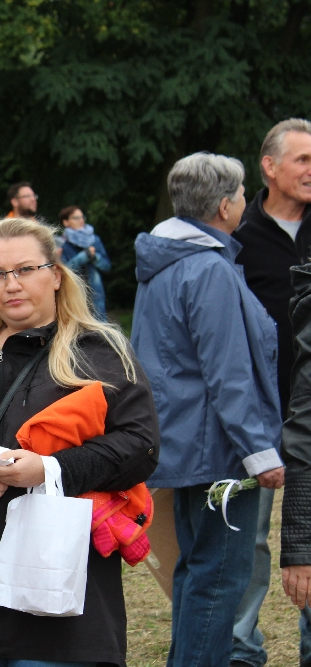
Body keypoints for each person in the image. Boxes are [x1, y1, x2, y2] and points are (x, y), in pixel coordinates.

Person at [0, 216, 158, 666]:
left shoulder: (99, 353)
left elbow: (140, 447)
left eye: (26, 269)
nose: (12, 284)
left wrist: (50, 469)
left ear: (56, 274)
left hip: (58, 598)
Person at [131, 152, 284, 667]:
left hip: (183, 443)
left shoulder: (164, 265)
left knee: (196, 571)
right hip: (219, 452)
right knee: (219, 578)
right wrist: (259, 451)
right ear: (223, 206)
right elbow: (229, 371)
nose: (244, 202)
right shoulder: (208, 269)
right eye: (241, 194)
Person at [232, 118, 311, 667]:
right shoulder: (238, 235)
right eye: (303, 159)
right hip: (256, 415)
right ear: (269, 167)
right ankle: (241, 648)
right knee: (248, 538)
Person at [57, 206, 110, 318]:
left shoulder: (94, 240)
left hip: (96, 297)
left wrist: (94, 257)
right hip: (74, 296)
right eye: (76, 218)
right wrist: (83, 256)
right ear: (66, 222)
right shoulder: (62, 243)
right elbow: (63, 271)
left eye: (82, 217)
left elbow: (107, 266)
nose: (81, 221)